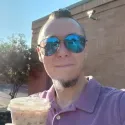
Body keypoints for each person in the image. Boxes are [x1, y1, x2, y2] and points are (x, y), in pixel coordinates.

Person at [10, 9, 125, 125]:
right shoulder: (28, 108)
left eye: (73, 41)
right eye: (51, 44)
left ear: (85, 49)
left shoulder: (119, 105)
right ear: (40, 53)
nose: (62, 52)